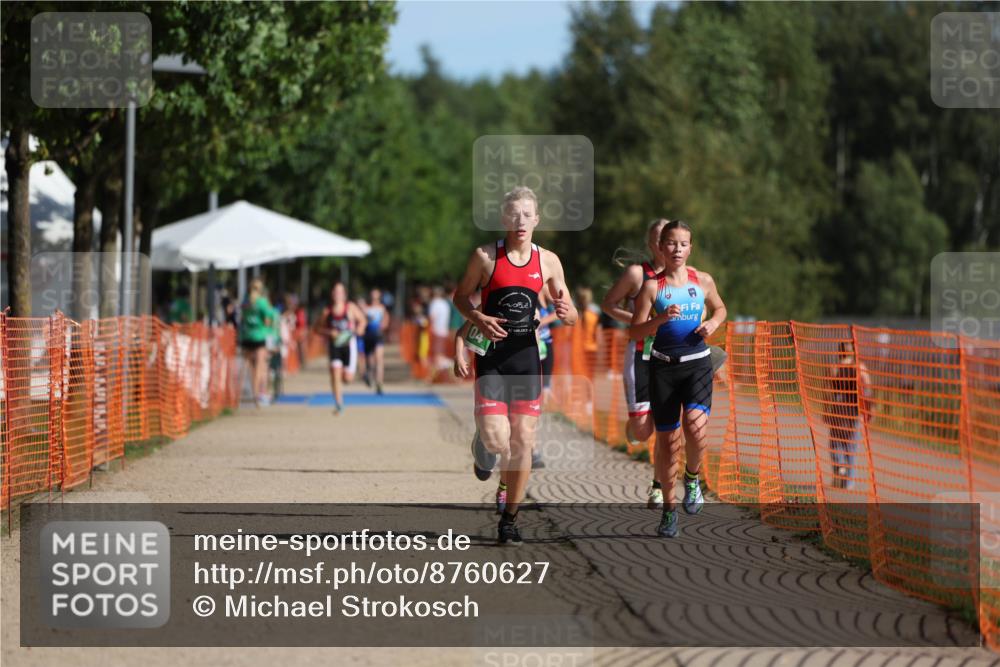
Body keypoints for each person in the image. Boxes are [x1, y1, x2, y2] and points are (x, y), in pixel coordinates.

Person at [454, 186, 578, 546]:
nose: (520, 221)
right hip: (492, 358)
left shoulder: (549, 261)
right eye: (514, 214)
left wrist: (568, 313)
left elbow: (569, 313)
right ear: (504, 218)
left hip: (527, 359)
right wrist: (476, 316)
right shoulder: (485, 257)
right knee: (498, 439)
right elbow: (461, 297)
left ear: (536, 219)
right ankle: (485, 439)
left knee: (523, 440)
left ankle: (509, 518)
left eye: (527, 214)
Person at [629, 220, 727, 538]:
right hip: (663, 368)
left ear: (690, 248)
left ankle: (693, 477)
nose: (677, 249)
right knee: (669, 445)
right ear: (661, 247)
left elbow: (721, 309)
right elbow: (635, 331)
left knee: (697, 430)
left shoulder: (703, 281)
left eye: (683, 244)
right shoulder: (651, 286)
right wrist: (659, 319)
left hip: (697, 364)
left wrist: (713, 323)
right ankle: (670, 511)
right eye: (671, 243)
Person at [601, 218, 669, 508]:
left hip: (673, 357)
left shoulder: (688, 278)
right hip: (641, 352)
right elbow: (608, 304)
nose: (664, 245)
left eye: (669, 239)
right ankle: (638, 422)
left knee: (669, 428)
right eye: (658, 239)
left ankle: (658, 485)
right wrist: (641, 322)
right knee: (643, 431)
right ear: (650, 244)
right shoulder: (637, 274)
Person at [312, 282, 367, 415]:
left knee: (347, 378)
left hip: (349, 346)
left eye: (340, 292)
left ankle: (344, 378)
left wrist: (359, 329)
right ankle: (339, 404)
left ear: (344, 295)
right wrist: (329, 332)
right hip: (334, 346)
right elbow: (317, 328)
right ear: (332, 295)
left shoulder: (350, 308)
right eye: (335, 292)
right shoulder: (327, 311)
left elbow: (363, 321)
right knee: (335, 372)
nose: (337, 294)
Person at [824, 341, 872, 490]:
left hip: (838, 409)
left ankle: (839, 467)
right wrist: (869, 410)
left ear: (840, 352)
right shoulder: (860, 368)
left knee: (835, 443)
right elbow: (868, 389)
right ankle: (848, 482)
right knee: (851, 446)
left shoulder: (834, 368)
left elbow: (828, 391)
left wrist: (826, 410)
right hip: (854, 410)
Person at [239, 279, 277, 407]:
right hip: (260, 336)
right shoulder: (262, 302)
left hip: (247, 336)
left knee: (249, 367)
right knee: (260, 366)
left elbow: (242, 318)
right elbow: (267, 321)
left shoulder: (245, 302)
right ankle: (256, 395)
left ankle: (242, 394)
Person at [363, 288, 390, 394]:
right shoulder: (366, 308)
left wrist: (383, 325)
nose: (374, 298)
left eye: (376, 295)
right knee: (369, 360)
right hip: (368, 336)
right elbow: (362, 320)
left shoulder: (382, 308)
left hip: (378, 335)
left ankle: (379, 383)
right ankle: (369, 375)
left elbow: (386, 320)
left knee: (379, 359)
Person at [428, 286, 452, 382]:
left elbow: (432, 317)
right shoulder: (445, 304)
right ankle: (438, 375)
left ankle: (449, 365)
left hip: (436, 331)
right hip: (444, 331)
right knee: (440, 353)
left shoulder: (435, 303)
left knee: (437, 355)